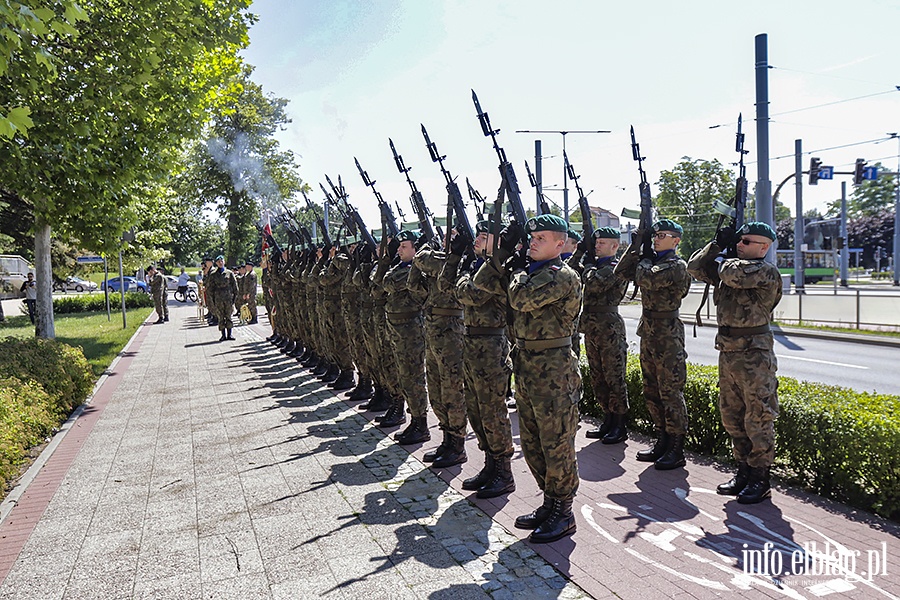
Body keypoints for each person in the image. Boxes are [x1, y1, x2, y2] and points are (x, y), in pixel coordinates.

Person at [474, 214, 582, 544]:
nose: (533, 242)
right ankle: (549, 503)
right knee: (534, 443)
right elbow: (481, 282)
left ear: (560, 245)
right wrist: (503, 252)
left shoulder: (562, 275)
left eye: (541, 238)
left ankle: (564, 512)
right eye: (531, 237)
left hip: (554, 370)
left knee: (557, 444)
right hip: (526, 365)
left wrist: (515, 268)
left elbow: (521, 299)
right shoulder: (528, 272)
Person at [687, 222, 782, 504]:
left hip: (755, 354)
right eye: (739, 240)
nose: (740, 244)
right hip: (728, 351)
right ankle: (743, 471)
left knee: (758, 416)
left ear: (764, 247)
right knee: (732, 415)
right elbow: (695, 267)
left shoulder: (765, 271)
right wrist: (716, 244)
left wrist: (724, 256)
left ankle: (760, 477)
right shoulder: (732, 263)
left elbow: (731, 274)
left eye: (746, 241)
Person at [442, 220, 516, 498]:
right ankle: (490, 464)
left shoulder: (499, 268)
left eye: (484, 236)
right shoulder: (477, 266)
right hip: (471, 341)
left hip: (492, 344)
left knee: (492, 411)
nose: (477, 239)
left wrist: (467, 273)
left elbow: (469, 294)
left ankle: (504, 471)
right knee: (475, 408)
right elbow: (448, 288)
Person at [615, 219, 692, 470]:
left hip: (668, 334)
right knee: (652, 390)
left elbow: (647, 279)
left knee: (670, 392)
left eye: (663, 235)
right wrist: (637, 244)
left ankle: (676, 448)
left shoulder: (677, 266)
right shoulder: (652, 261)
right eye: (655, 235)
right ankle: (662, 439)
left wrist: (645, 259)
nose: (657, 238)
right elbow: (621, 272)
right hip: (649, 331)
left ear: (676, 240)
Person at [581, 227, 630, 444]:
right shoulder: (595, 266)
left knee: (614, 377)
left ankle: (620, 424)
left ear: (615, 246)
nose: (597, 245)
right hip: (592, 328)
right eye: (596, 242)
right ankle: (608, 419)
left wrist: (589, 265)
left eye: (602, 243)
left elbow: (594, 284)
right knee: (598, 377)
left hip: (609, 329)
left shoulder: (615, 267)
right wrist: (582, 254)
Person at [205, 255, 238, 341]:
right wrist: (212, 301)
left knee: (228, 316)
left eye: (222, 261)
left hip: (228, 298)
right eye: (218, 261)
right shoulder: (213, 275)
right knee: (221, 317)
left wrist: (233, 300)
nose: (220, 262)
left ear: (224, 262)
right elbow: (210, 289)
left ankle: (229, 334)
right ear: (216, 263)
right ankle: (223, 335)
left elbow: (235, 287)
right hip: (218, 298)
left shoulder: (229, 273)